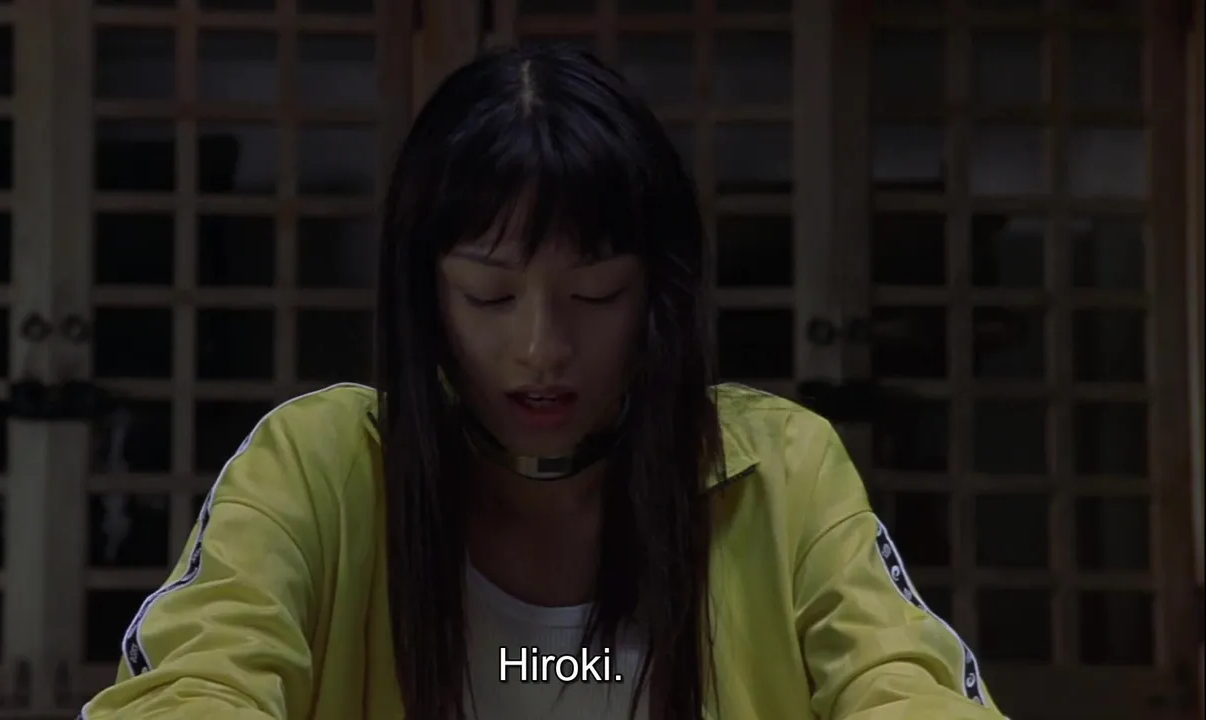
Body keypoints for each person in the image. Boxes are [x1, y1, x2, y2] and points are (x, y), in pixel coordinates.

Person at [79, 45, 1009, 720]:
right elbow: (196, 680)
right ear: (425, 295)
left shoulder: (781, 471)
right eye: (489, 296)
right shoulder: (317, 468)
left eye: (595, 295)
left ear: (658, 293)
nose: (542, 350)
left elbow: (903, 683)